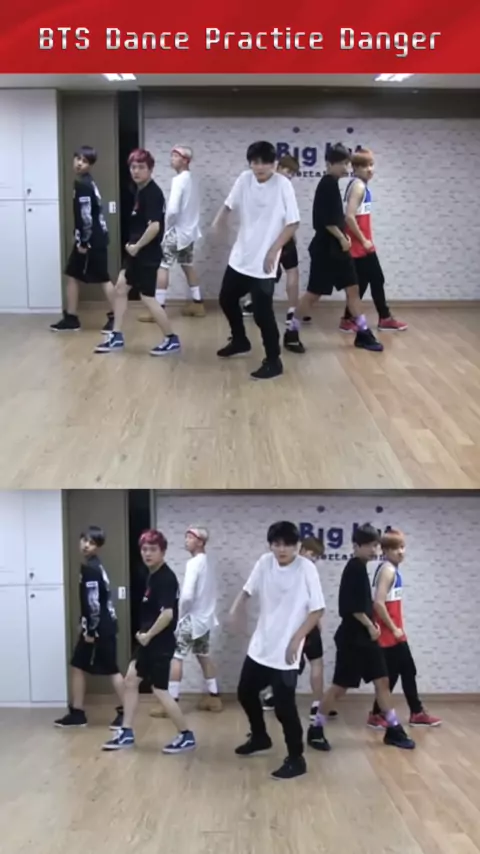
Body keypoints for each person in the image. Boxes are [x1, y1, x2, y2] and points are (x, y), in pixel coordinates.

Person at [229, 521, 325, 780]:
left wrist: (297, 639)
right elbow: (247, 590)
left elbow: (317, 610)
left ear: (297, 546)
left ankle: (296, 758)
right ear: (270, 545)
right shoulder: (265, 562)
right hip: (261, 645)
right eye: (276, 544)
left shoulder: (306, 568)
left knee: (284, 708)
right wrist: (236, 609)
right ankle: (260, 736)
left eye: (287, 545)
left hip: (286, 653)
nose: (281, 549)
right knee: (245, 692)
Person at [307, 523, 415, 752]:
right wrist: (370, 625)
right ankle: (316, 729)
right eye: (369, 546)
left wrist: (371, 626)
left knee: (382, 681)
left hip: (366, 638)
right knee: (339, 687)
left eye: (376, 545)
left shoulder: (362, 567)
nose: (374, 550)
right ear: (356, 546)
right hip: (353, 639)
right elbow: (351, 607)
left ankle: (394, 730)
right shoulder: (354, 569)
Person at [213, 140, 300, 381]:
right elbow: (228, 205)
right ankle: (240, 340)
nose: (259, 167)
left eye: (264, 162)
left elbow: (293, 223)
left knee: (263, 314)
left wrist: (274, 250)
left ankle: (273, 361)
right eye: (254, 162)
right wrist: (219, 222)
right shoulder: (245, 179)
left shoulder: (282, 185)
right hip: (241, 256)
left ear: (273, 163)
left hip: (264, 263)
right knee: (226, 299)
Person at [102, 529, 196, 753]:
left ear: (163, 551)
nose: (147, 553)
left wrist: (148, 635)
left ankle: (186, 735)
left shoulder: (165, 578)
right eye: (144, 549)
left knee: (160, 690)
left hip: (159, 644)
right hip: (147, 643)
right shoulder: (151, 575)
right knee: (130, 681)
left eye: (153, 549)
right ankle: (126, 732)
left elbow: (167, 614)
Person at [284, 143, 383, 354]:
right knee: (313, 294)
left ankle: (363, 333)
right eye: (342, 164)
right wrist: (341, 237)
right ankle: (291, 333)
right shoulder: (327, 184)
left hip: (338, 249)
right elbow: (325, 220)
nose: (346, 168)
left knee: (353, 289)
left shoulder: (334, 183)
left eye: (347, 163)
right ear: (329, 164)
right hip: (326, 249)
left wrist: (343, 238)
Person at [94, 149, 181, 356]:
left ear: (150, 169)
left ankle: (171, 338)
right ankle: (116, 335)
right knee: (120, 288)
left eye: (141, 167)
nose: (136, 171)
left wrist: (137, 246)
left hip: (146, 255)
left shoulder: (152, 193)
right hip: (135, 254)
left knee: (147, 297)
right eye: (133, 167)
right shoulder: (139, 191)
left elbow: (155, 227)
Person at [367, 529, 441, 729]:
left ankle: (380, 713)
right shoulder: (388, 571)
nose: (400, 551)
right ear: (385, 551)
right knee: (405, 671)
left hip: (394, 634)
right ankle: (414, 713)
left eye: (402, 547)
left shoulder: (391, 569)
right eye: (394, 548)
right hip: (389, 635)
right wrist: (394, 628)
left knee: (398, 673)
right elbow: (378, 603)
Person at [261, 535, 338, 721]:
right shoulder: (306, 571)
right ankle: (316, 705)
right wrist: (316, 623)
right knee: (315, 662)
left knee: (291, 663)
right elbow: (313, 604)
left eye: (317, 556)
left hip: (289, 626)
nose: (314, 559)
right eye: (313, 554)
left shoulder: (282, 570)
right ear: (303, 550)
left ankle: (272, 696)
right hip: (304, 625)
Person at [54, 526, 124, 729]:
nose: (86, 545)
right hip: (97, 626)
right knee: (78, 665)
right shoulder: (93, 566)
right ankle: (77, 713)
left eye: (92, 543)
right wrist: (84, 624)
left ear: (98, 547)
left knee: (111, 669)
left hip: (100, 628)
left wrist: (91, 630)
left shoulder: (92, 569)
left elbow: (93, 603)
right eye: (84, 540)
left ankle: (126, 711)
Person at [150, 526, 222, 719]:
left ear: (200, 542)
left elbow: (188, 595)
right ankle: (214, 697)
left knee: (176, 657)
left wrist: (179, 615)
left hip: (191, 618)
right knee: (203, 655)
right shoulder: (208, 562)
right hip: (205, 619)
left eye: (190, 537)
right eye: (186, 537)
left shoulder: (193, 563)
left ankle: (171, 703)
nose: (186, 540)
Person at [340, 149, 407, 333]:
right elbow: (349, 217)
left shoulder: (359, 185)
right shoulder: (358, 187)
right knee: (376, 279)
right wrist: (364, 240)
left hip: (361, 245)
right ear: (355, 168)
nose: (369, 169)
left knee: (363, 282)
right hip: (360, 246)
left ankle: (348, 319)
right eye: (364, 166)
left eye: (371, 165)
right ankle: (384, 318)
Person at [242, 154, 311, 336]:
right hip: (273, 237)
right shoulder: (280, 187)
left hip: (277, 238)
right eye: (288, 170)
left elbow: (289, 217)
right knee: (272, 272)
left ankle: (285, 309)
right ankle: (259, 304)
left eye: (292, 173)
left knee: (285, 271)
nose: (289, 175)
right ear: (278, 167)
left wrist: (292, 235)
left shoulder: (264, 186)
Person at [50, 146, 115, 333]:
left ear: (90, 165)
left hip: (92, 240)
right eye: (78, 158)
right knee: (73, 274)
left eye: (85, 161)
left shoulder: (84, 185)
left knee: (103, 277)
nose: (79, 163)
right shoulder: (85, 182)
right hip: (91, 238)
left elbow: (86, 217)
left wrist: (84, 242)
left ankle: (116, 317)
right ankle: (71, 318)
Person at [138, 145, 204, 322]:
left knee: (162, 266)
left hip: (177, 231)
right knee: (187, 264)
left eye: (176, 156)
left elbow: (173, 210)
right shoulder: (193, 179)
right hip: (190, 232)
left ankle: (158, 309)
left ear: (185, 160)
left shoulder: (179, 180)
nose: (172, 159)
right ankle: (198, 303)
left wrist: (166, 227)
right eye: (172, 155)